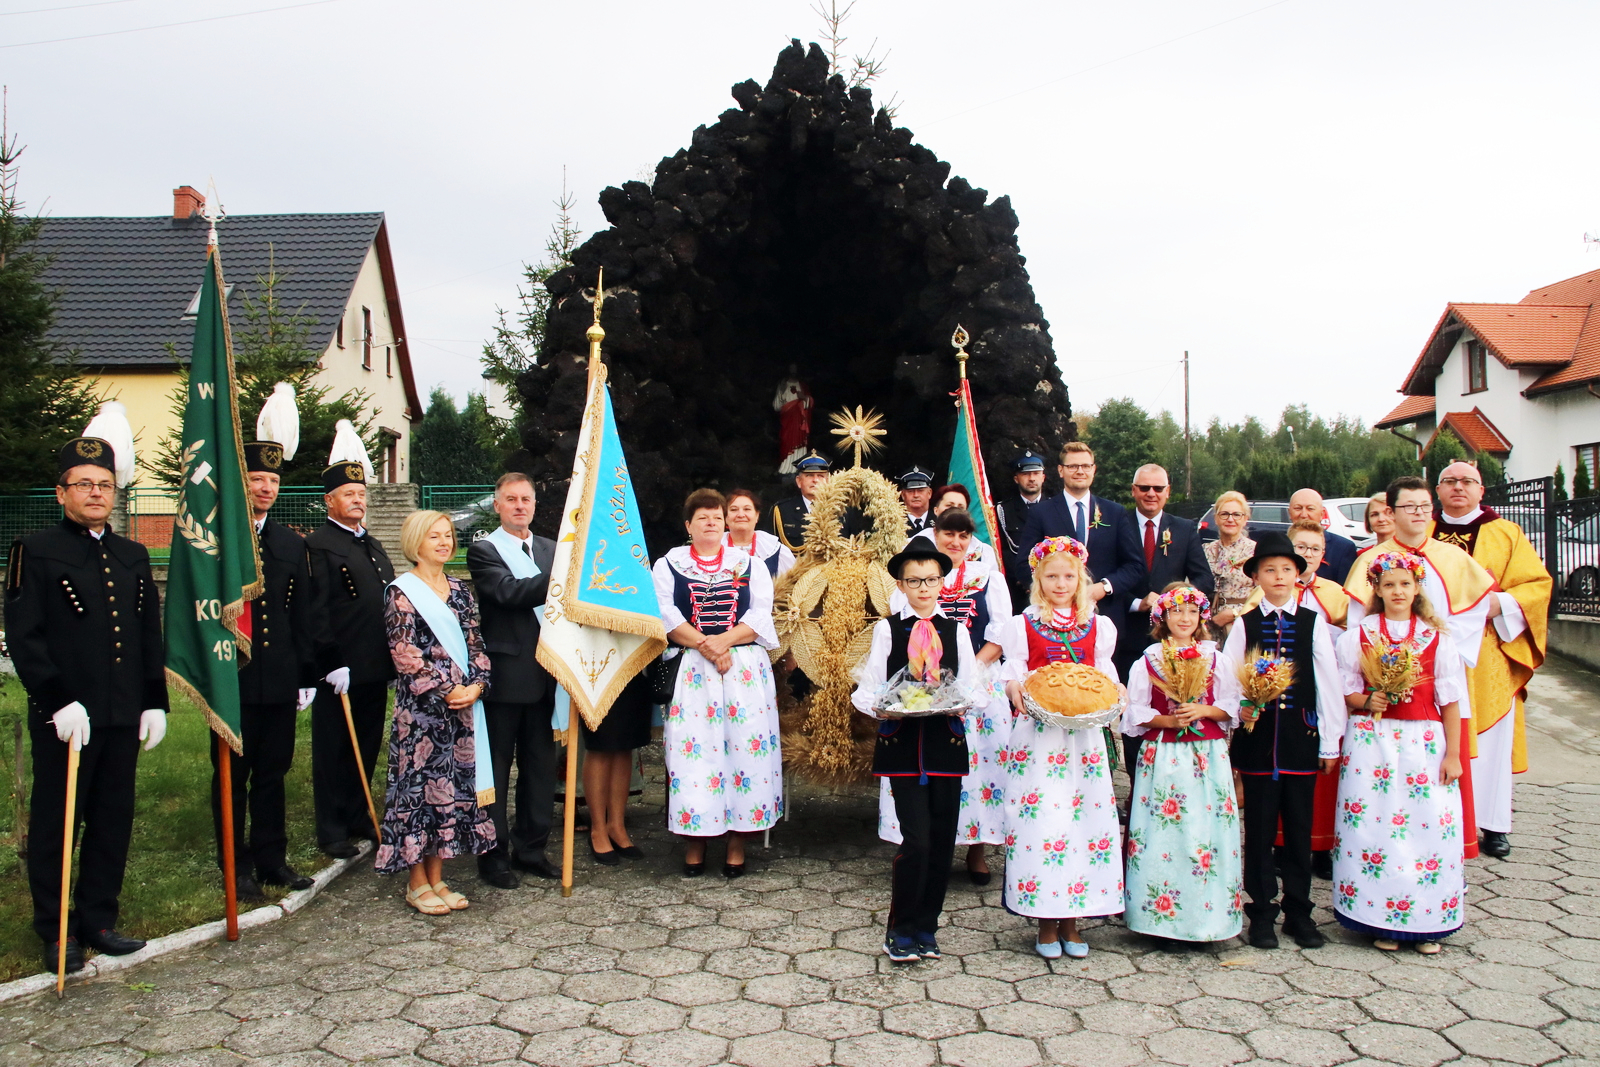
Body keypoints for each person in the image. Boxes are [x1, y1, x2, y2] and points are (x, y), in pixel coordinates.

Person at [7, 435, 169, 973]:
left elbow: (148, 632)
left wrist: (154, 701)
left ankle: (98, 920)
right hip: (67, 720)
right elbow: (24, 636)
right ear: (61, 493)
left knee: (111, 818)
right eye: (85, 484)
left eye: (105, 485)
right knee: (59, 823)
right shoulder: (36, 549)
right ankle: (55, 932)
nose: (96, 493)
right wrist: (56, 702)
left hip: (122, 712)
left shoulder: (132, 553)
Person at [1344, 476, 1496, 859]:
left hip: (1433, 690)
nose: (1418, 514)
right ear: (1391, 512)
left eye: (1425, 506)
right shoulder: (1370, 561)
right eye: (1409, 507)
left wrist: (1431, 646)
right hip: (1378, 707)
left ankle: (1436, 861)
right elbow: (1356, 625)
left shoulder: (1455, 557)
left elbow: (1474, 614)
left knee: (1430, 796)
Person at [1330, 551, 1468, 954]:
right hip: (1373, 741)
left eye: (1405, 583)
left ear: (1417, 588)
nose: (1397, 591)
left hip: (1422, 741)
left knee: (1427, 826)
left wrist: (1453, 755)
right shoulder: (1359, 635)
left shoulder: (1436, 638)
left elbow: (1452, 701)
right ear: (1376, 589)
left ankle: (1427, 921)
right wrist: (1365, 699)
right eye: (1388, 584)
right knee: (1377, 825)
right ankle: (1380, 918)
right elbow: (1344, 689)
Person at [996, 536, 1124, 959]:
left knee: (1084, 825)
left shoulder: (1098, 625)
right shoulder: (1023, 624)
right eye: (1052, 576)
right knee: (1044, 823)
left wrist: (1116, 694)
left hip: (1083, 742)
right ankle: (1045, 922)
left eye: (1069, 576)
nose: (1061, 583)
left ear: (1081, 579)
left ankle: (1075, 920)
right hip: (1039, 739)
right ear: (1038, 579)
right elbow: (1012, 670)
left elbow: (1105, 675)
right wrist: (1014, 684)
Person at [852, 541, 979, 962]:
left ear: (942, 582)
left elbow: (974, 688)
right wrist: (882, 706)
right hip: (903, 748)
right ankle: (900, 929)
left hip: (946, 745)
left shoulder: (955, 629)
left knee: (943, 843)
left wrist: (963, 700)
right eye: (914, 581)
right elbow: (869, 687)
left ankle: (928, 927)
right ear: (901, 585)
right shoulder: (889, 628)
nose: (923, 588)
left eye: (930, 580)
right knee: (917, 842)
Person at [1221, 532, 1343, 950]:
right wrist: (1241, 709)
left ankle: (1299, 911)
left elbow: (1328, 684)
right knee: (1257, 830)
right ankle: (1260, 913)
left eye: (1286, 569)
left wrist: (1329, 742)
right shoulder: (1245, 623)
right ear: (1256, 576)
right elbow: (1230, 677)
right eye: (1269, 570)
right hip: (1257, 745)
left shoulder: (1312, 623)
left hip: (1300, 741)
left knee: (1298, 829)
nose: (1278, 577)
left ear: (1298, 576)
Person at [878, 509, 1013, 886]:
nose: (955, 543)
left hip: (976, 683)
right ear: (935, 537)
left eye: (963, 537)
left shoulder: (989, 578)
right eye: (948, 536)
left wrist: (964, 671)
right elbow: (902, 631)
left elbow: (1001, 633)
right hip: (921, 688)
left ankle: (976, 850)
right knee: (926, 764)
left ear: (971, 541)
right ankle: (919, 845)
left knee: (977, 770)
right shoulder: (915, 581)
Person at [656, 489, 782, 878]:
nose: (711, 523)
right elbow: (665, 614)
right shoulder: (668, 564)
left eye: (716, 517)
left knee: (745, 751)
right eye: (702, 518)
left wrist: (724, 641)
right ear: (688, 526)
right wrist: (707, 646)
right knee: (696, 755)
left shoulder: (748, 564)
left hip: (742, 669)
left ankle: (736, 844)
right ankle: (695, 840)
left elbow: (761, 615)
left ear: (725, 522)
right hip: (694, 671)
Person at [1430, 462, 1551, 859]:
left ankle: (1493, 824)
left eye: (1467, 482)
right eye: (1450, 481)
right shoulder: (1422, 532)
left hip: (1487, 656)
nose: (1459, 488)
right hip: (1430, 651)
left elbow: (1537, 585)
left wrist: (1499, 603)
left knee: (1491, 739)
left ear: (1482, 490)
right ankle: (1436, 818)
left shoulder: (1505, 533)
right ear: (1438, 489)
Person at [378, 511, 496, 915]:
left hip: (463, 712)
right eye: (435, 536)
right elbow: (405, 656)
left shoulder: (461, 589)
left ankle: (438, 875)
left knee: (449, 792)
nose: (445, 543)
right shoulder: (400, 592)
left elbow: (477, 644)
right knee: (419, 792)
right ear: (416, 542)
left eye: (448, 536)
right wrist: (449, 691)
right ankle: (415, 884)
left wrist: (477, 686)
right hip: (423, 715)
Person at [215, 437, 317, 903]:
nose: (266, 487)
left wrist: (304, 675)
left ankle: (272, 858)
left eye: (274, 480)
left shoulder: (288, 542)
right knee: (232, 776)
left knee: (273, 772)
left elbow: (300, 611)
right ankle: (236, 866)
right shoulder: (218, 538)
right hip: (230, 675)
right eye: (257, 479)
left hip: (277, 675)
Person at [1122, 585, 1243, 949]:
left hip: (1205, 755)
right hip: (1164, 755)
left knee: (1202, 834)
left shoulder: (1215, 659)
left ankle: (1205, 917)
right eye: (1177, 612)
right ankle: (1160, 921)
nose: (1184, 619)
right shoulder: (1149, 659)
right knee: (1164, 833)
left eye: (1192, 613)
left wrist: (1203, 710)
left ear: (1202, 618)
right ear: (1163, 618)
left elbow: (1231, 706)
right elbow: (1134, 712)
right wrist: (1167, 721)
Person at [465, 473, 561, 886]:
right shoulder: (484, 551)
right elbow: (508, 593)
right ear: (497, 505)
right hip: (504, 679)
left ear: (535, 505)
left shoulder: (553, 549)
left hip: (548, 676)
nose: (520, 505)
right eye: (511, 499)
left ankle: (531, 849)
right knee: (498, 771)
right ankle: (493, 856)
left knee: (540, 770)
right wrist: (565, 577)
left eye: (526, 499)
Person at [306, 444, 397, 859]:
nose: (357, 500)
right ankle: (331, 827)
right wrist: (329, 661)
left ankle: (359, 813)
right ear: (330, 500)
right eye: (348, 494)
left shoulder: (372, 545)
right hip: (338, 668)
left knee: (366, 741)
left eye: (361, 493)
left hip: (373, 666)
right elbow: (316, 608)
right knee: (333, 748)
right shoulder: (319, 545)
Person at [1012, 442, 1142, 622]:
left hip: (1105, 615)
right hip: (1053, 617)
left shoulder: (1115, 512)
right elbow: (1023, 565)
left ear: (1093, 469)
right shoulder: (1041, 513)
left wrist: (1104, 587)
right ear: (1060, 470)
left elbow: (1133, 566)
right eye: (1072, 466)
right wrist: (1057, 591)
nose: (1080, 471)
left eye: (1086, 466)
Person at [1116, 463, 1214, 696]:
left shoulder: (1184, 528)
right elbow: (1107, 575)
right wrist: (1137, 603)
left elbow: (1204, 579)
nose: (1152, 493)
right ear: (1134, 490)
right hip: (1128, 632)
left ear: (1168, 492)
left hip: (1172, 636)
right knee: (1131, 707)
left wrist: (1175, 598)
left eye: (1158, 488)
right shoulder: (1118, 525)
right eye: (1145, 487)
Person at [995, 451, 1047, 607]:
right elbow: (1001, 550)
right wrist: (1026, 580)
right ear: (1016, 478)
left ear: (1043, 477)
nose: (1031, 478)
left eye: (1036, 473)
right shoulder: (1002, 510)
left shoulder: (1056, 509)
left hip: (1051, 586)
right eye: (1025, 474)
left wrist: (1043, 581)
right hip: (1016, 589)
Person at [909, 483, 998, 569]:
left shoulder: (983, 552)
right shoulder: (912, 544)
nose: (954, 510)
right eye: (949, 506)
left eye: (960, 507)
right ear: (936, 510)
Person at [1204, 491, 1255, 637]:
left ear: (1245, 519)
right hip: (1208, 624)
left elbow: (1263, 594)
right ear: (1216, 519)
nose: (1230, 519)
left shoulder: (1254, 551)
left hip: (1240, 623)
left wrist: (1234, 613)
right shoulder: (1205, 550)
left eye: (1236, 515)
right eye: (1224, 514)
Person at [764, 452, 830, 552]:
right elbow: (769, 550)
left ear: (828, 481)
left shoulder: (843, 510)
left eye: (820, 476)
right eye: (809, 475)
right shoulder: (782, 510)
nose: (815, 480)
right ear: (799, 481)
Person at [1289, 488, 1359, 584]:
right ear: (1289, 513)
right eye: (1298, 508)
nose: (1304, 514)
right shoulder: (1278, 545)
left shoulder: (1343, 548)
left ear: (1322, 514)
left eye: (1310, 509)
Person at [726, 488, 795, 580]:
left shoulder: (776, 551)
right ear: (725, 517)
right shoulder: (712, 548)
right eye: (734, 510)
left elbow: (792, 587)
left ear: (757, 515)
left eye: (747, 509)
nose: (741, 514)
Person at [898, 466, 937, 536]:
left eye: (920, 491)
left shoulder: (939, 522)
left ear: (929, 493)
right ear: (903, 495)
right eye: (910, 491)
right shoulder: (894, 523)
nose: (916, 495)